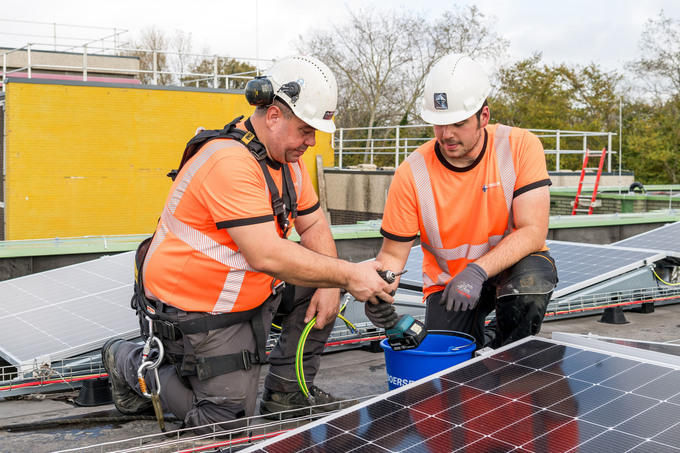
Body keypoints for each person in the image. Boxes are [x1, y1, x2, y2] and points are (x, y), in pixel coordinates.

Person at [102, 55, 394, 433]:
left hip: (246, 290)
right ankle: (125, 359)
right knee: (225, 427)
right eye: (306, 130)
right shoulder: (229, 162)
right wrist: (349, 275)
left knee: (325, 276)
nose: (311, 141)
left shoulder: (286, 159)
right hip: (198, 307)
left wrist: (330, 282)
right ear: (273, 116)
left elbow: (315, 221)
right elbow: (265, 253)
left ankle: (286, 394)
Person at [368, 53, 557, 350]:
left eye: (458, 123)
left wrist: (478, 271)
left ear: (483, 116)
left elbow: (533, 231)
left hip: (510, 269)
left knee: (529, 287)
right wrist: (378, 290)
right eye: (438, 124)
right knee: (447, 356)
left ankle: (509, 361)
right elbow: (392, 255)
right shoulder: (412, 173)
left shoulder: (519, 146)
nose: (447, 134)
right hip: (449, 284)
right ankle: (487, 346)